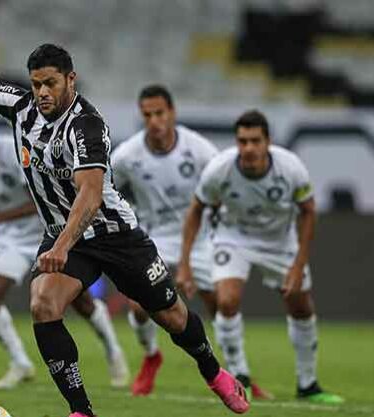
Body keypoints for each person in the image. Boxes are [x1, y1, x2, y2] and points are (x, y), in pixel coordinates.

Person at [0, 19, 250, 417]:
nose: (43, 93)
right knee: (43, 304)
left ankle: (213, 371)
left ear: (71, 79)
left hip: (112, 233)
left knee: (173, 316)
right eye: (36, 84)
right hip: (64, 234)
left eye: (51, 83)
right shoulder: (20, 107)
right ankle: (82, 415)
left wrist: (62, 246)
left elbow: (89, 195)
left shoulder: (88, 125)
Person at [112, 85, 272, 399]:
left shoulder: (199, 150)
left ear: (172, 113)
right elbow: (104, 191)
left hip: (200, 239)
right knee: (138, 305)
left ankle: (241, 375)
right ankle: (150, 356)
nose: (155, 121)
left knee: (221, 304)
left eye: (160, 113)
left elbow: (222, 189)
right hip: (154, 237)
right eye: (147, 115)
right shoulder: (126, 157)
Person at [0, 107, 129, 389]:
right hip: (9, 238)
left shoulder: (18, 153)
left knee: (79, 302)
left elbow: (38, 199)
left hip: (50, 231)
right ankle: (20, 363)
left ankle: (112, 350)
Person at [178, 109, 343, 405]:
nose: (248, 148)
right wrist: (186, 264)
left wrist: (298, 265)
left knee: (301, 306)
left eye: (255, 141)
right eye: (242, 141)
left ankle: (308, 384)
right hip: (234, 237)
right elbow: (195, 210)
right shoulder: (219, 169)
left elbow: (308, 212)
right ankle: (241, 378)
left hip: (280, 241)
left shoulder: (291, 168)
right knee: (227, 300)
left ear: (268, 142)